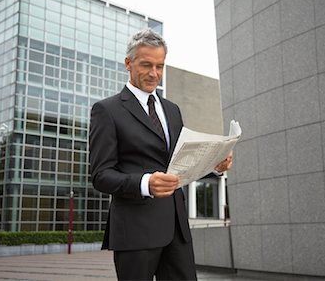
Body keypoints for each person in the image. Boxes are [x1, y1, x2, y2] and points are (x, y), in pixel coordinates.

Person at [89, 28, 233, 281]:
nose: (154, 73)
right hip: (135, 232)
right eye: (146, 65)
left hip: (177, 230)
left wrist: (215, 166)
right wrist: (145, 183)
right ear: (128, 63)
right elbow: (101, 175)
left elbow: (179, 164)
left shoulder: (172, 110)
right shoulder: (106, 111)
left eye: (160, 66)